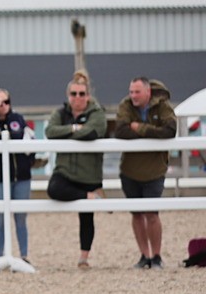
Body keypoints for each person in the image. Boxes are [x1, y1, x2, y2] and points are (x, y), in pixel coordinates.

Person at [45, 72, 107, 269]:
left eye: (81, 94)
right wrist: (74, 129)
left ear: (88, 96)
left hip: (89, 172)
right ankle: (90, 196)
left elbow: (93, 131)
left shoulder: (97, 112)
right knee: (53, 189)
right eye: (74, 94)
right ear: (68, 95)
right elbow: (49, 131)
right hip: (65, 170)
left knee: (86, 217)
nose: (77, 98)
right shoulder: (60, 113)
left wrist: (67, 133)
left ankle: (83, 258)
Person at [115, 77, 177, 269]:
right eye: (131, 91)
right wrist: (151, 131)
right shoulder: (125, 105)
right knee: (136, 214)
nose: (133, 96)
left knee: (152, 214)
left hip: (155, 170)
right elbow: (120, 130)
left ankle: (157, 256)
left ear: (148, 92)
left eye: (137, 92)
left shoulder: (163, 106)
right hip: (130, 170)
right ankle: (144, 255)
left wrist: (139, 127)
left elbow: (169, 130)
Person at [0, 87, 33, 263]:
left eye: (6, 102)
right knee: (0, 218)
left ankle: (24, 255)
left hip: (21, 177)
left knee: (21, 217)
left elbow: (28, 141)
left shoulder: (18, 119)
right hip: (0, 179)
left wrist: (28, 161)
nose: (4, 106)